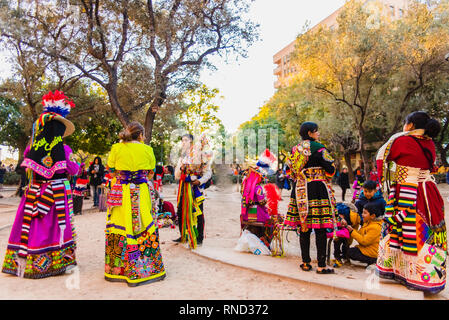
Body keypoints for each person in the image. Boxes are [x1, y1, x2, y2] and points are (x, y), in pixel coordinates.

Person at [2, 90, 79, 279]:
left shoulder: (31, 147)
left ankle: (27, 261)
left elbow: (29, 168)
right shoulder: (64, 149)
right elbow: (73, 170)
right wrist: (76, 165)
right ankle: (54, 262)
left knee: (30, 223)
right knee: (53, 226)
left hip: (34, 191)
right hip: (55, 194)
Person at [376, 111, 446, 293]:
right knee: (424, 231)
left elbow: (381, 160)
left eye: (406, 123)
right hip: (428, 192)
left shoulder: (400, 141)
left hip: (406, 192)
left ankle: (401, 272)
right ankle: (427, 277)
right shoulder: (429, 143)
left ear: (411, 125)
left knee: (401, 228)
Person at [105, 121, 166, 286]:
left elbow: (110, 169)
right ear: (140, 135)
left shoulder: (117, 148)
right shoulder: (147, 149)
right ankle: (147, 267)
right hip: (141, 191)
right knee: (144, 222)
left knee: (121, 224)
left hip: (122, 193)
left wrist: (120, 175)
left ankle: (117, 269)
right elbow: (151, 172)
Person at [284, 122, 340, 274]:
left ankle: (305, 262)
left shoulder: (294, 150)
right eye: (316, 131)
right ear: (310, 133)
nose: (318, 134)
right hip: (317, 190)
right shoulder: (319, 148)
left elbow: (289, 171)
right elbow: (331, 169)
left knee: (304, 226)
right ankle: (321, 266)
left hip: (300, 190)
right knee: (320, 227)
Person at [173, 133, 212, 248]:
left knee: (198, 212)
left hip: (196, 189)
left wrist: (199, 181)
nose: (183, 142)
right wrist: (181, 169)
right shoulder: (182, 157)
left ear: (191, 142)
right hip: (183, 188)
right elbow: (177, 175)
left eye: (185, 140)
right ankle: (183, 235)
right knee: (181, 211)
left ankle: (199, 238)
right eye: (182, 140)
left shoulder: (201, 155)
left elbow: (208, 173)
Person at [347, 202, 383, 267]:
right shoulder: (368, 222)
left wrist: (352, 231)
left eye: (365, 213)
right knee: (350, 251)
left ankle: (373, 260)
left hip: (373, 253)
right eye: (362, 212)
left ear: (372, 216)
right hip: (367, 249)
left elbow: (364, 241)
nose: (362, 215)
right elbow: (360, 234)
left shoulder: (375, 227)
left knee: (351, 252)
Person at [332, 203, 361, 267]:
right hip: (339, 229)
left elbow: (355, 228)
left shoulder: (355, 218)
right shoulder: (338, 213)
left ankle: (344, 257)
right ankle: (338, 257)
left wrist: (350, 238)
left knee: (346, 243)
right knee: (338, 242)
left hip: (348, 229)